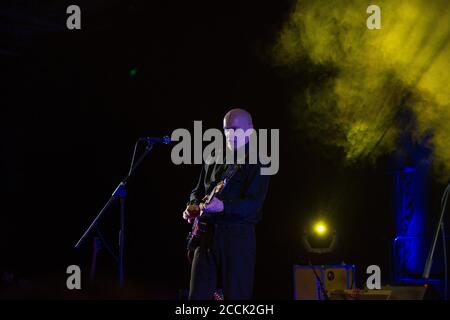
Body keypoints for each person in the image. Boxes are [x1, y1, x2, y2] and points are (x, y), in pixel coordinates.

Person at [182, 108, 270, 300]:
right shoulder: (214, 155)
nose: (230, 134)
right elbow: (197, 191)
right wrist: (193, 206)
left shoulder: (259, 161)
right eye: (227, 129)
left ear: (251, 130)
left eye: (236, 129)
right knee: (196, 297)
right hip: (206, 234)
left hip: (237, 237)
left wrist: (223, 207)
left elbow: (254, 204)